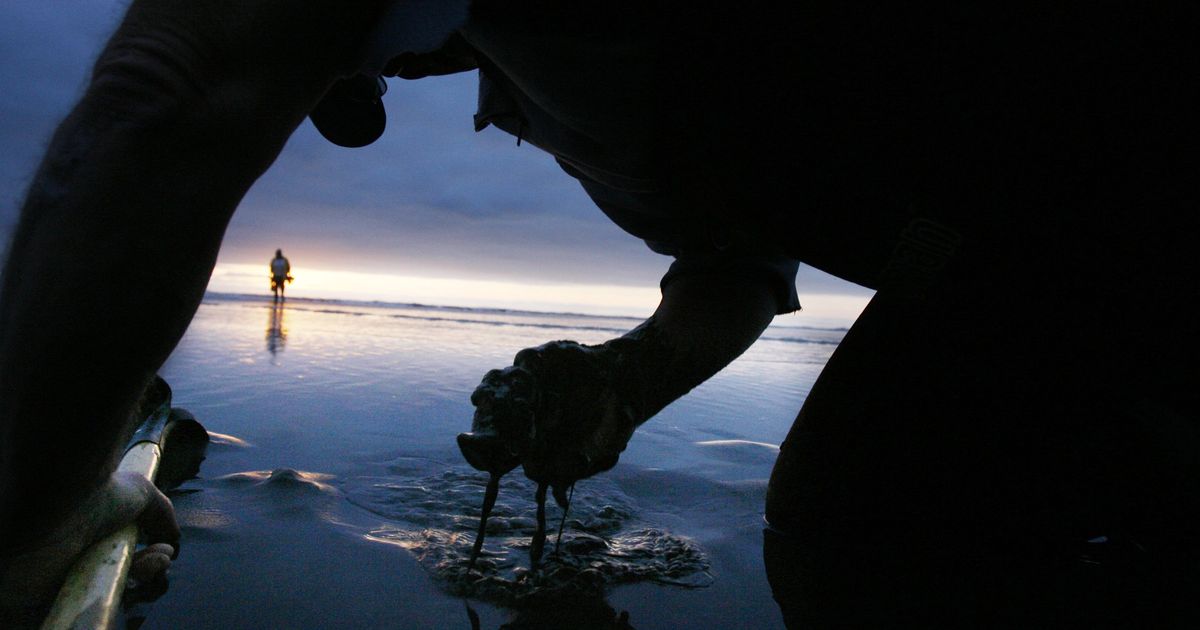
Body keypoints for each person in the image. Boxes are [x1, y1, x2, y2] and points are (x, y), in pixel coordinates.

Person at [1, 2, 1196, 627]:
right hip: (1020, 269)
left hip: (1131, 192)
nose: (347, 92)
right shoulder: (558, 62)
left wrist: (30, 505)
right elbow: (748, 249)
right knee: (856, 534)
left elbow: (171, 87)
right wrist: (627, 378)